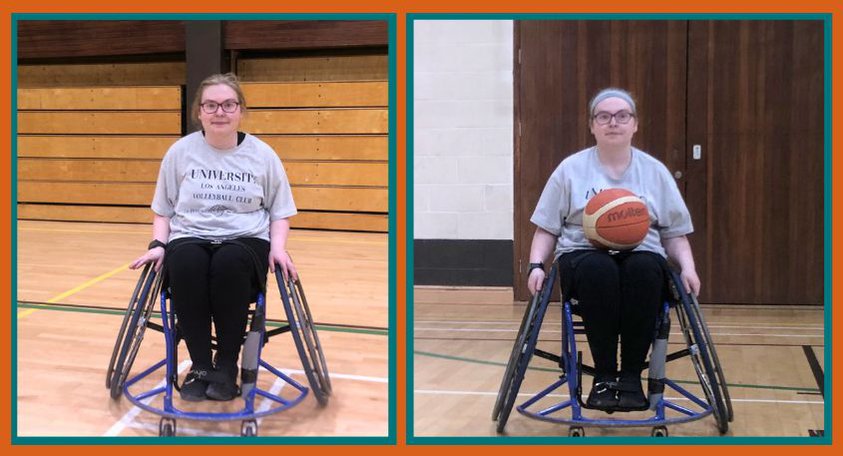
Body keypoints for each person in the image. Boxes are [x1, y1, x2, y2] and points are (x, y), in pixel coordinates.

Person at [527, 88, 700, 412]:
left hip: (642, 252)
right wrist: (536, 265)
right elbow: (547, 227)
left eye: (622, 116)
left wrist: (688, 268)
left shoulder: (655, 171)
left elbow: (675, 234)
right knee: (599, 269)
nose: (613, 122)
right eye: (603, 116)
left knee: (646, 270)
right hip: (582, 254)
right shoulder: (570, 169)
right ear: (592, 125)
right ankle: (605, 375)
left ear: (635, 124)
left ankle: (631, 377)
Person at [130, 73, 298, 402]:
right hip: (190, 235)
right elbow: (163, 210)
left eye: (228, 104)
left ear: (240, 110)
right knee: (188, 263)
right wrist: (157, 245)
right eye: (211, 105)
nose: (220, 111)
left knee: (229, 262)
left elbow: (280, 211)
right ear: (199, 112)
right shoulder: (180, 152)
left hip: (244, 239)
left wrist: (278, 248)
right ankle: (201, 366)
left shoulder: (263, 155)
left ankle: (226, 365)